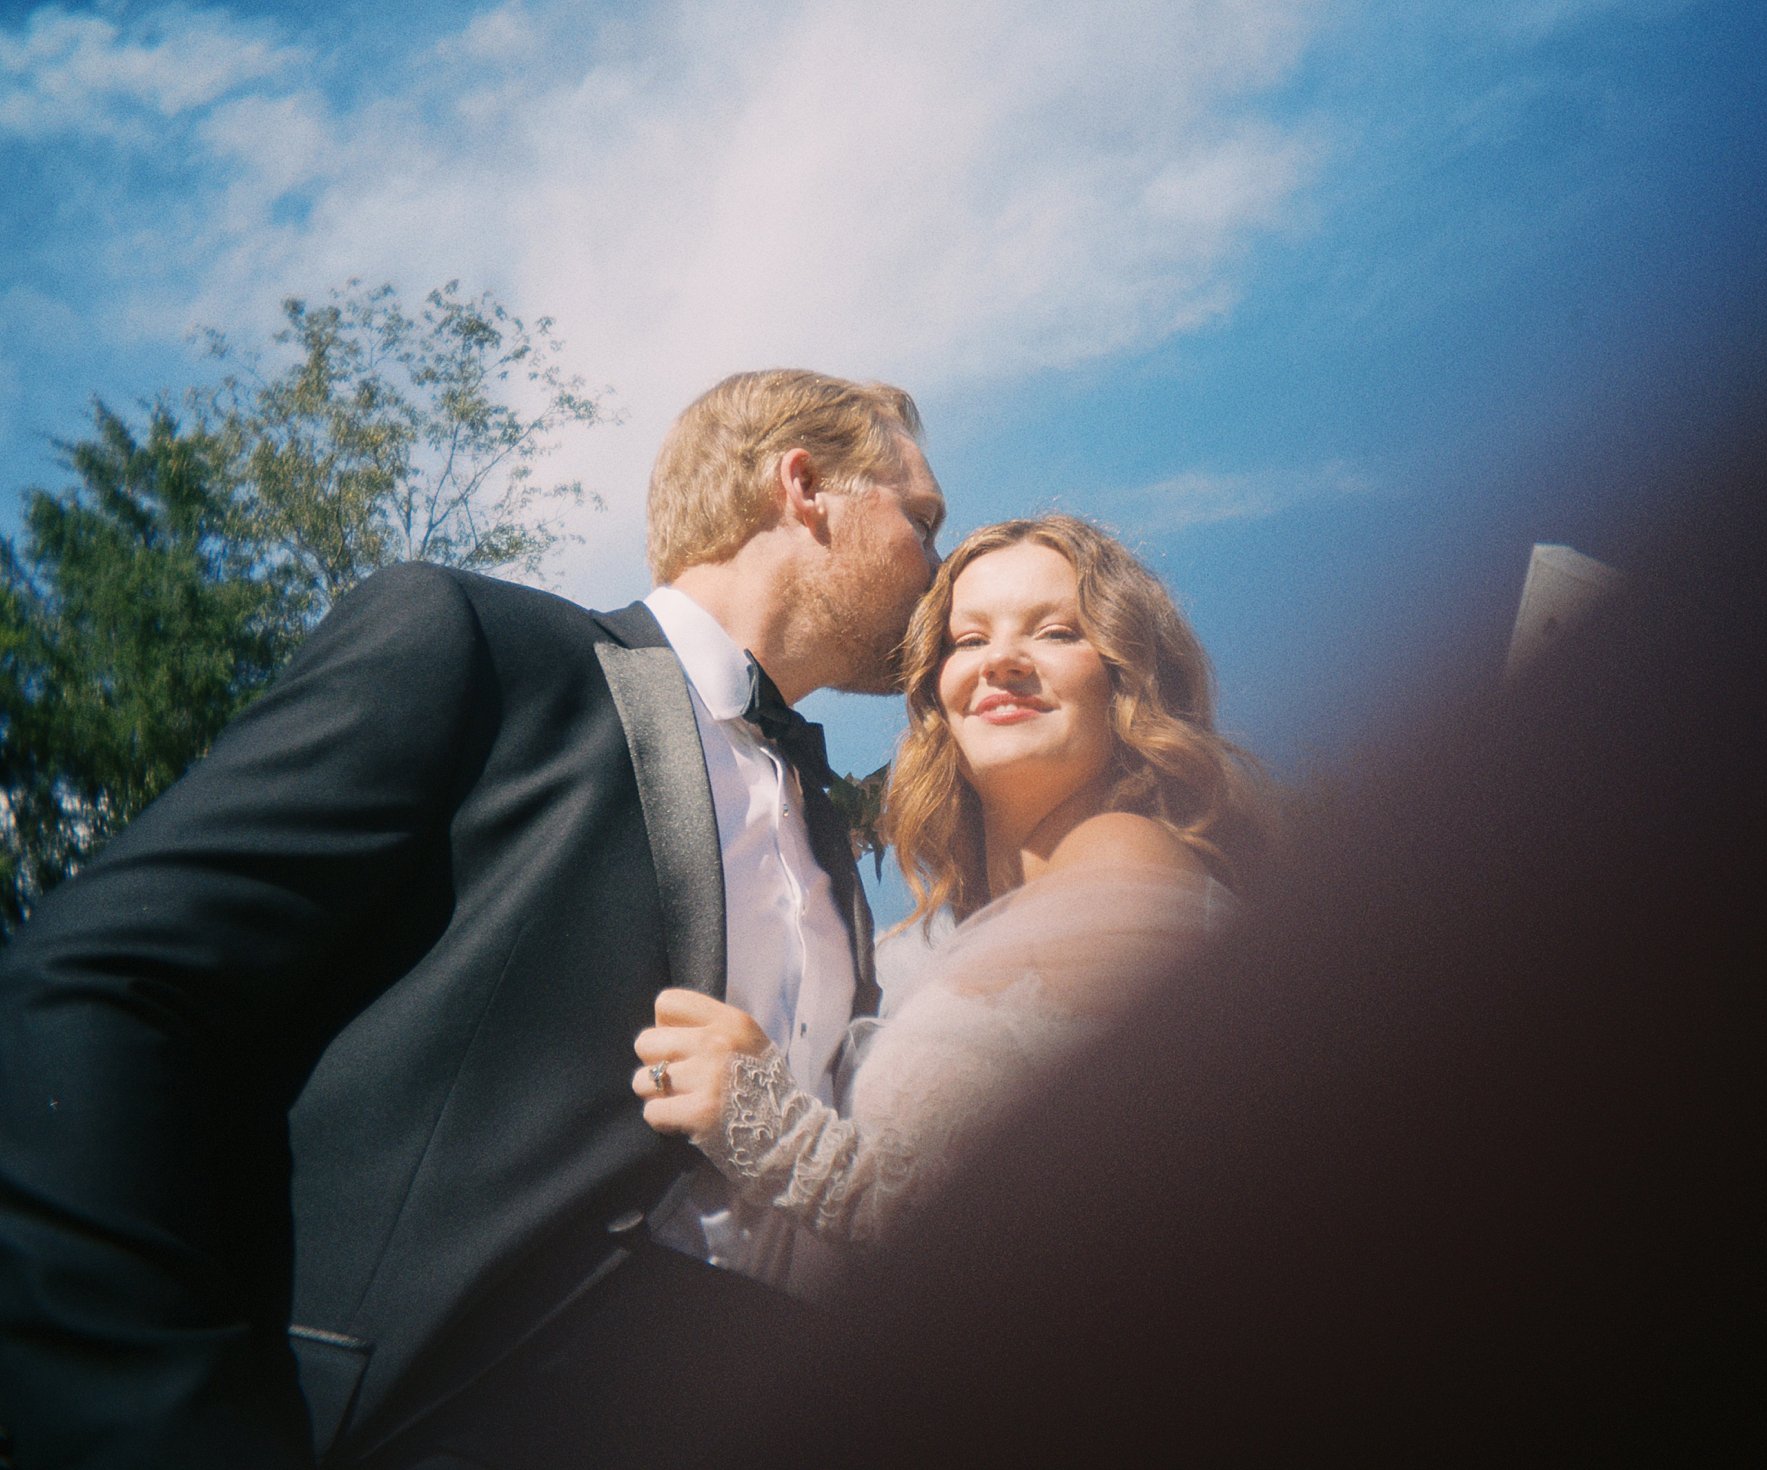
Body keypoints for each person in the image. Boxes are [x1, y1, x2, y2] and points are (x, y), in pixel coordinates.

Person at [0, 369, 945, 1469]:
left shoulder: (828, 837)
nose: (939, 563)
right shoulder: (483, 649)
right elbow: (95, 992)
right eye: (922, 519)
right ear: (805, 487)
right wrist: (168, 1426)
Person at [631, 515, 1260, 1258]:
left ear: (1126, 676)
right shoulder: (941, 941)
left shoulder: (1130, 858)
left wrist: (772, 1132)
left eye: (1057, 632)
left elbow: (1080, 1229)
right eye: (969, 640)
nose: (1003, 661)